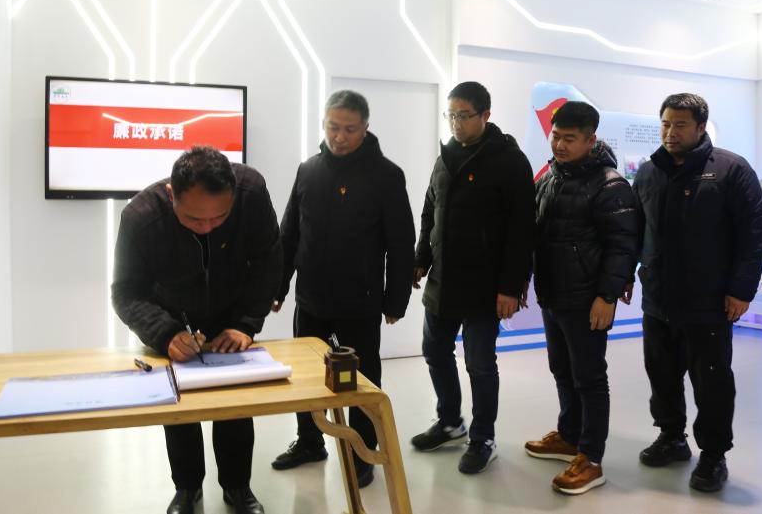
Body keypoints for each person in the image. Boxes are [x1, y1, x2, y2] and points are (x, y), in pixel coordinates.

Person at [112, 146, 282, 514]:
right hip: (171, 314)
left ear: (233, 195)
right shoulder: (140, 217)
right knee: (179, 405)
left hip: (232, 310)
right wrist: (165, 333)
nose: (207, 227)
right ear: (171, 194)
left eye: (220, 216)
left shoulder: (251, 192)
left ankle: (237, 487)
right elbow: (126, 292)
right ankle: (187, 489)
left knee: (235, 403)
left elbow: (268, 260)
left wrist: (245, 323)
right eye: (193, 219)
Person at [269, 90, 415, 488]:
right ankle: (309, 441)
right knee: (307, 375)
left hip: (359, 301)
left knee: (361, 379)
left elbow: (401, 243)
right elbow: (290, 233)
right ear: (324, 123)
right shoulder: (308, 170)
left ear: (365, 128)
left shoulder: (386, 176)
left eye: (350, 129)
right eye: (333, 127)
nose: (340, 136)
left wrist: (395, 299)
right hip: (311, 298)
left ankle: (362, 452)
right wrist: (277, 286)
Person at [631, 93, 762, 492]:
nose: (670, 133)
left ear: (701, 127)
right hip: (658, 298)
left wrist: (741, 289)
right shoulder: (649, 172)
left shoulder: (731, 170)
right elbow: (635, 231)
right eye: (665, 124)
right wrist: (626, 276)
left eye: (680, 125)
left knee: (711, 381)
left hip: (708, 301)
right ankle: (672, 437)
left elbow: (753, 235)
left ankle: (713, 455)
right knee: (661, 373)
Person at [411, 81, 535, 474]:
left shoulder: (510, 161)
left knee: (480, 363)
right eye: (451, 115)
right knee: (434, 350)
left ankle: (483, 437)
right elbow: (430, 210)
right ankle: (450, 422)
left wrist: (510, 287)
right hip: (443, 279)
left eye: (464, 115)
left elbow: (521, 230)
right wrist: (421, 258)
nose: (456, 123)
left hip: (485, 284)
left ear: (486, 115)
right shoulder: (445, 156)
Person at [524, 101, 639, 494]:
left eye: (569, 139)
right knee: (562, 369)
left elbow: (622, 246)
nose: (559, 144)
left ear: (591, 140)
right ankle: (569, 435)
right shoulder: (550, 177)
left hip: (587, 299)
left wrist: (607, 296)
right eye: (556, 136)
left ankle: (591, 458)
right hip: (553, 294)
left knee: (589, 377)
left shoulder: (610, 185)